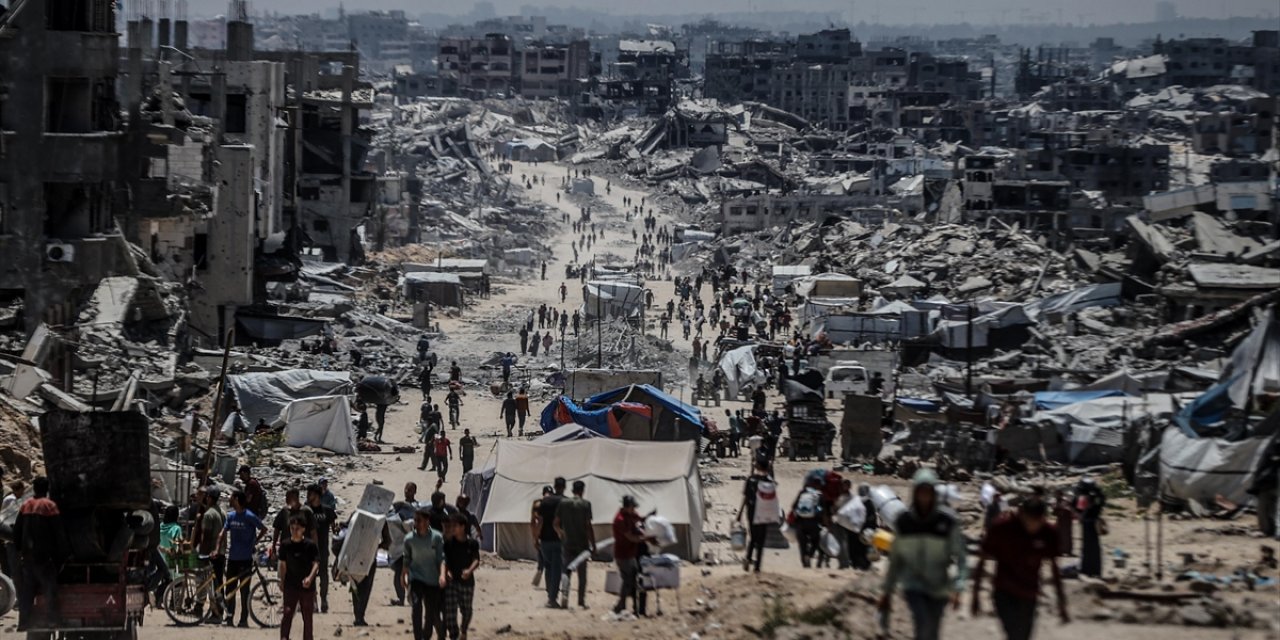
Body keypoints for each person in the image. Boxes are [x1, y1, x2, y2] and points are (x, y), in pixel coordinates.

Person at [878, 468, 968, 640]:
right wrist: (887, 591)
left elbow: (961, 557)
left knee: (932, 631)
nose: (924, 496)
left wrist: (959, 587)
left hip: (939, 587)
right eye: (921, 491)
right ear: (915, 492)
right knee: (922, 622)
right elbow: (895, 558)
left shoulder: (946, 521)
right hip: (913, 584)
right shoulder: (905, 522)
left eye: (928, 492)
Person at [972, 496, 1070, 640]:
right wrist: (975, 596)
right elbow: (982, 559)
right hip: (1004, 591)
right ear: (1022, 514)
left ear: (1043, 518)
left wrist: (1061, 602)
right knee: (1014, 634)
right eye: (1030, 520)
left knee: (1023, 635)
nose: (1033, 525)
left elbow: (1054, 567)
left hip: (1029, 593)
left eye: (1037, 521)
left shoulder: (1048, 533)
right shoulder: (1002, 528)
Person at [14, 476, 66, 631]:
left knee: (28, 591)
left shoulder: (26, 505)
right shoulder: (50, 506)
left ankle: (23, 622)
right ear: (47, 489)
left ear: (34, 488)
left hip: (28, 558)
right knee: (49, 589)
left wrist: (19, 551)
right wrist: (63, 555)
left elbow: (17, 531)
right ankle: (51, 621)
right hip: (44, 557)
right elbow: (59, 533)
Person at [216, 490, 267, 628]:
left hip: (245, 559)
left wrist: (254, 542)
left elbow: (264, 529)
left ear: (237, 499)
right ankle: (229, 617)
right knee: (230, 589)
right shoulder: (231, 516)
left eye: (231, 498)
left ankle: (243, 619)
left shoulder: (249, 516)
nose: (229, 500)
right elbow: (222, 533)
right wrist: (217, 548)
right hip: (232, 558)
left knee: (244, 591)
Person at [403, 507, 447, 640]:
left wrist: (442, 575)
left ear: (427, 521)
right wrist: (403, 575)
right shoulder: (409, 539)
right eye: (415, 520)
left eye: (418, 520)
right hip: (416, 578)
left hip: (432, 580)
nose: (416, 523)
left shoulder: (436, 537)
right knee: (416, 607)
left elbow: (442, 559)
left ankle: (427, 635)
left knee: (431, 612)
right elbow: (406, 559)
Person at [554, 480, 596, 609]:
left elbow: (555, 523)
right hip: (582, 543)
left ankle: (565, 595)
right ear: (582, 490)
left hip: (568, 542)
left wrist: (561, 533)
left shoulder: (564, 503)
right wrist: (593, 544)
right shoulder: (585, 504)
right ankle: (581, 601)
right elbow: (588, 526)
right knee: (582, 574)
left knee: (566, 570)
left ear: (572, 490)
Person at [279, 515, 320, 640]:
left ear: (303, 529)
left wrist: (310, 578)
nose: (294, 530)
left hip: (307, 587)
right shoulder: (285, 545)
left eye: (297, 528)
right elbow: (283, 565)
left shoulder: (310, 545)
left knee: (307, 617)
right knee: (287, 613)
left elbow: (316, 564)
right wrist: (282, 581)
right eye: (292, 528)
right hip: (291, 585)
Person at [611, 495, 653, 615]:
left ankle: (625, 605)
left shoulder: (631, 515)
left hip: (631, 553)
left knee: (631, 579)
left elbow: (639, 519)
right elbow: (631, 537)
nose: (634, 509)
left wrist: (648, 517)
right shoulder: (620, 520)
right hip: (623, 553)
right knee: (628, 580)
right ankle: (621, 604)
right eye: (632, 507)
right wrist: (646, 538)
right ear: (627, 507)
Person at [736, 460, 779, 573]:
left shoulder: (751, 479)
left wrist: (739, 513)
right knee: (761, 538)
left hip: (751, 511)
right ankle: (757, 566)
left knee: (754, 536)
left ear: (757, 466)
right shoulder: (769, 481)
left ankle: (748, 558)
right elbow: (773, 498)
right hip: (764, 511)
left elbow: (745, 497)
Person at [443, 513, 480, 640]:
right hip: (452, 582)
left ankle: (463, 630)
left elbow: (476, 560)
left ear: (463, 527)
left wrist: (469, 570)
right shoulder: (448, 543)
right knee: (450, 612)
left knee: (467, 610)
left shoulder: (472, 543)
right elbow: (444, 560)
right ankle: (454, 636)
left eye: (455, 526)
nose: (452, 528)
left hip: (467, 582)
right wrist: (446, 572)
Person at [533, 477, 566, 608]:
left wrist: (536, 538)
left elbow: (539, 522)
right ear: (564, 487)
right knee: (557, 569)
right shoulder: (565, 501)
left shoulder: (544, 502)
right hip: (559, 539)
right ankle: (552, 598)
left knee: (548, 567)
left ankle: (549, 595)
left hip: (545, 539)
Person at [196, 487, 227, 620]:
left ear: (209, 497)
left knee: (204, 582)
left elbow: (206, 537)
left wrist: (202, 554)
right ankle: (218, 612)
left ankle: (209, 611)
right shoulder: (223, 512)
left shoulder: (208, 515)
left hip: (210, 554)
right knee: (218, 583)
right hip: (221, 553)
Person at [307, 484, 337, 612]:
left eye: (310, 494)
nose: (308, 496)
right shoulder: (306, 510)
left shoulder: (328, 511)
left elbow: (334, 528)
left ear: (317, 495)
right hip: (308, 549)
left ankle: (324, 599)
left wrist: (339, 529)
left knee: (324, 575)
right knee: (310, 576)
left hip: (323, 548)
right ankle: (313, 601)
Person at [390, 483, 421, 607]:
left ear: (415, 492)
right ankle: (401, 598)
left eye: (410, 490)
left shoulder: (417, 507)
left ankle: (413, 597)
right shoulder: (399, 506)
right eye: (406, 489)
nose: (407, 492)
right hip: (400, 547)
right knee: (398, 575)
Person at [1076, 478, 1106, 577]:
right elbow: (1102, 502)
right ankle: (1094, 569)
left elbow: (1081, 511)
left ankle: (1088, 569)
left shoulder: (1085, 498)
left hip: (1088, 523)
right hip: (1093, 522)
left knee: (1088, 547)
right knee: (1094, 547)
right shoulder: (1097, 497)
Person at [792, 477, 824, 568]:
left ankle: (804, 563)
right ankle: (809, 555)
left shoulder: (802, 492)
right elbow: (823, 511)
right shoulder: (819, 495)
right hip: (813, 523)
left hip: (800, 522)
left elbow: (794, 506)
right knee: (816, 541)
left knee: (802, 544)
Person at [272, 489, 314, 557]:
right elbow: (277, 529)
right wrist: (273, 546)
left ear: (296, 498)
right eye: (286, 497)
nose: (286, 500)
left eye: (289, 497)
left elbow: (313, 532)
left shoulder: (306, 511)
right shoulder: (285, 511)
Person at [530, 486, 552, 587]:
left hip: (540, 533)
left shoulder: (537, 503)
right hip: (550, 534)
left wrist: (535, 536)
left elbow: (533, 522)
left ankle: (540, 569)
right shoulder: (552, 504)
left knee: (541, 553)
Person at [1053, 490, 1074, 557]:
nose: (1056, 496)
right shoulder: (1057, 501)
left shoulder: (1064, 500)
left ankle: (1067, 550)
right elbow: (1055, 512)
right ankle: (1061, 550)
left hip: (1065, 520)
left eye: (1057, 494)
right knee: (1060, 535)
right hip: (1061, 520)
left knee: (1066, 535)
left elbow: (1068, 509)